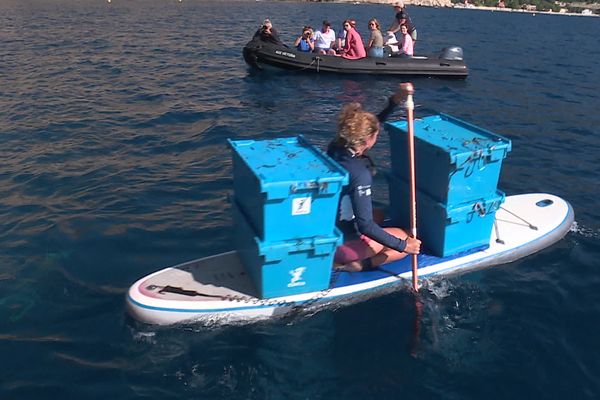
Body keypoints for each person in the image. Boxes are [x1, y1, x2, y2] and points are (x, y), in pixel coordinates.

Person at [327, 84, 421, 272]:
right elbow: (366, 227)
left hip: (332, 227)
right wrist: (404, 246)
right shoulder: (360, 174)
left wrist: (396, 100)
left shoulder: (336, 147)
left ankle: (354, 255)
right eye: (376, 135)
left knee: (379, 214)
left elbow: (375, 123)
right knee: (407, 236)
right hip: (342, 247)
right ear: (367, 139)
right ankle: (357, 266)